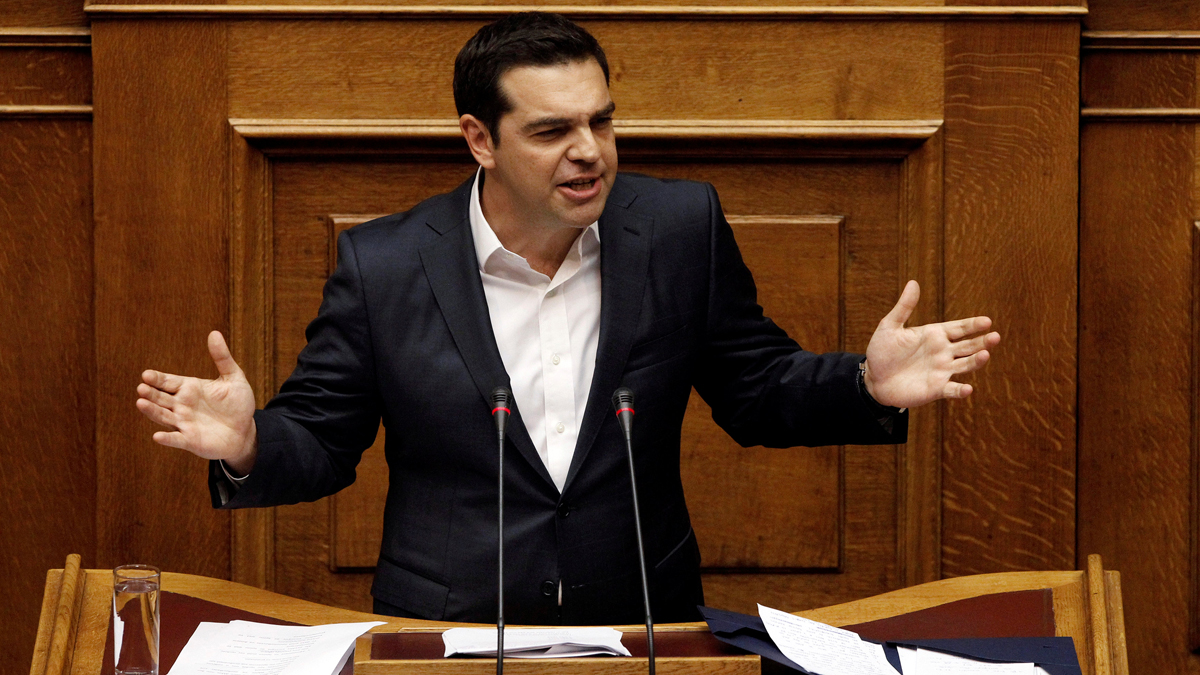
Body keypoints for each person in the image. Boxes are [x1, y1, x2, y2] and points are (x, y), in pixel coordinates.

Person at [135, 12, 999, 625]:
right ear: (480, 139)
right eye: (553, 130)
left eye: (601, 121)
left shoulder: (678, 229)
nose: (590, 151)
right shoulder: (386, 264)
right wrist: (249, 443)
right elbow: (324, 440)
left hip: (643, 622)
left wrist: (866, 383)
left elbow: (758, 389)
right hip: (451, 630)